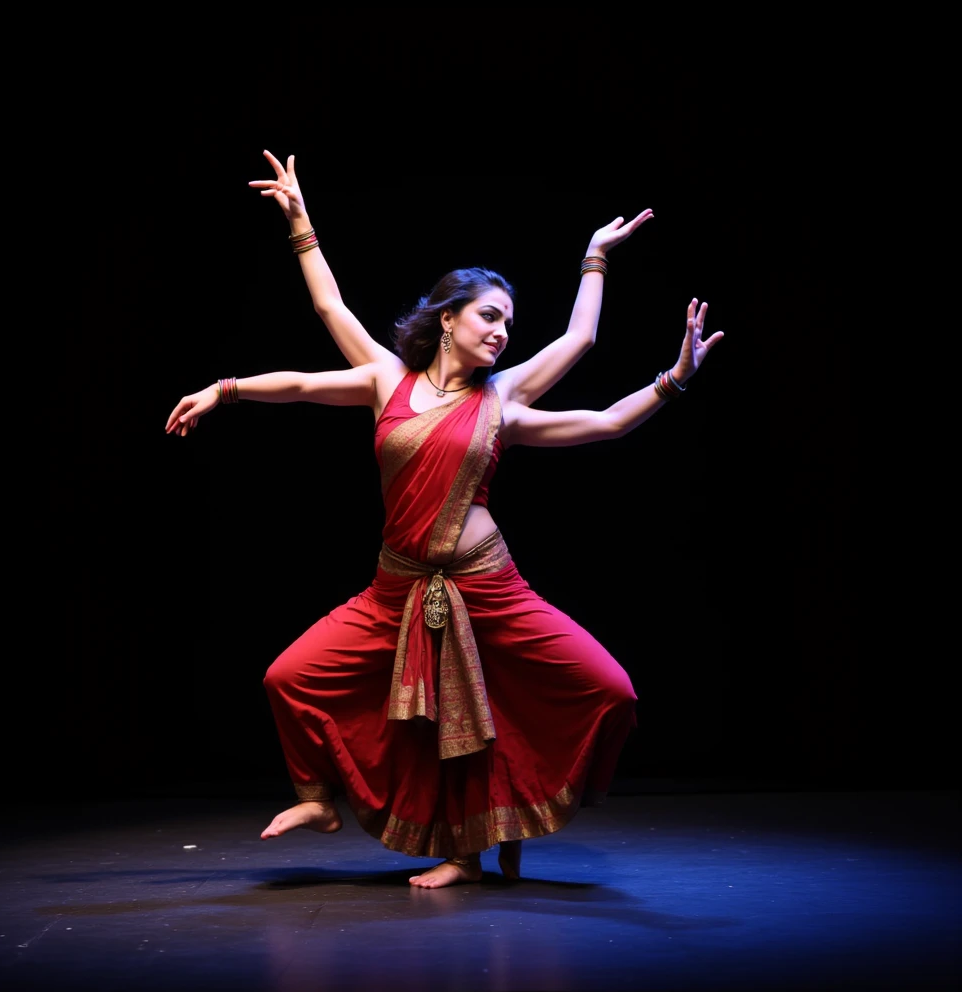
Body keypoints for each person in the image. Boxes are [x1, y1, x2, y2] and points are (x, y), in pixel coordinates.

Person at [165, 150, 723, 889]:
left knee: (611, 689)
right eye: (489, 317)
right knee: (288, 677)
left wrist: (653, 348)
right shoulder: (384, 378)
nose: (501, 332)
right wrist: (226, 386)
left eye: (508, 323)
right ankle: (317, 802)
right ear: (447, 317)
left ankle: (482, 842)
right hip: (395, 590)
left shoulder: (502, 400)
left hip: (489, 588)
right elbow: (314, 348)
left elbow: (595, 387)